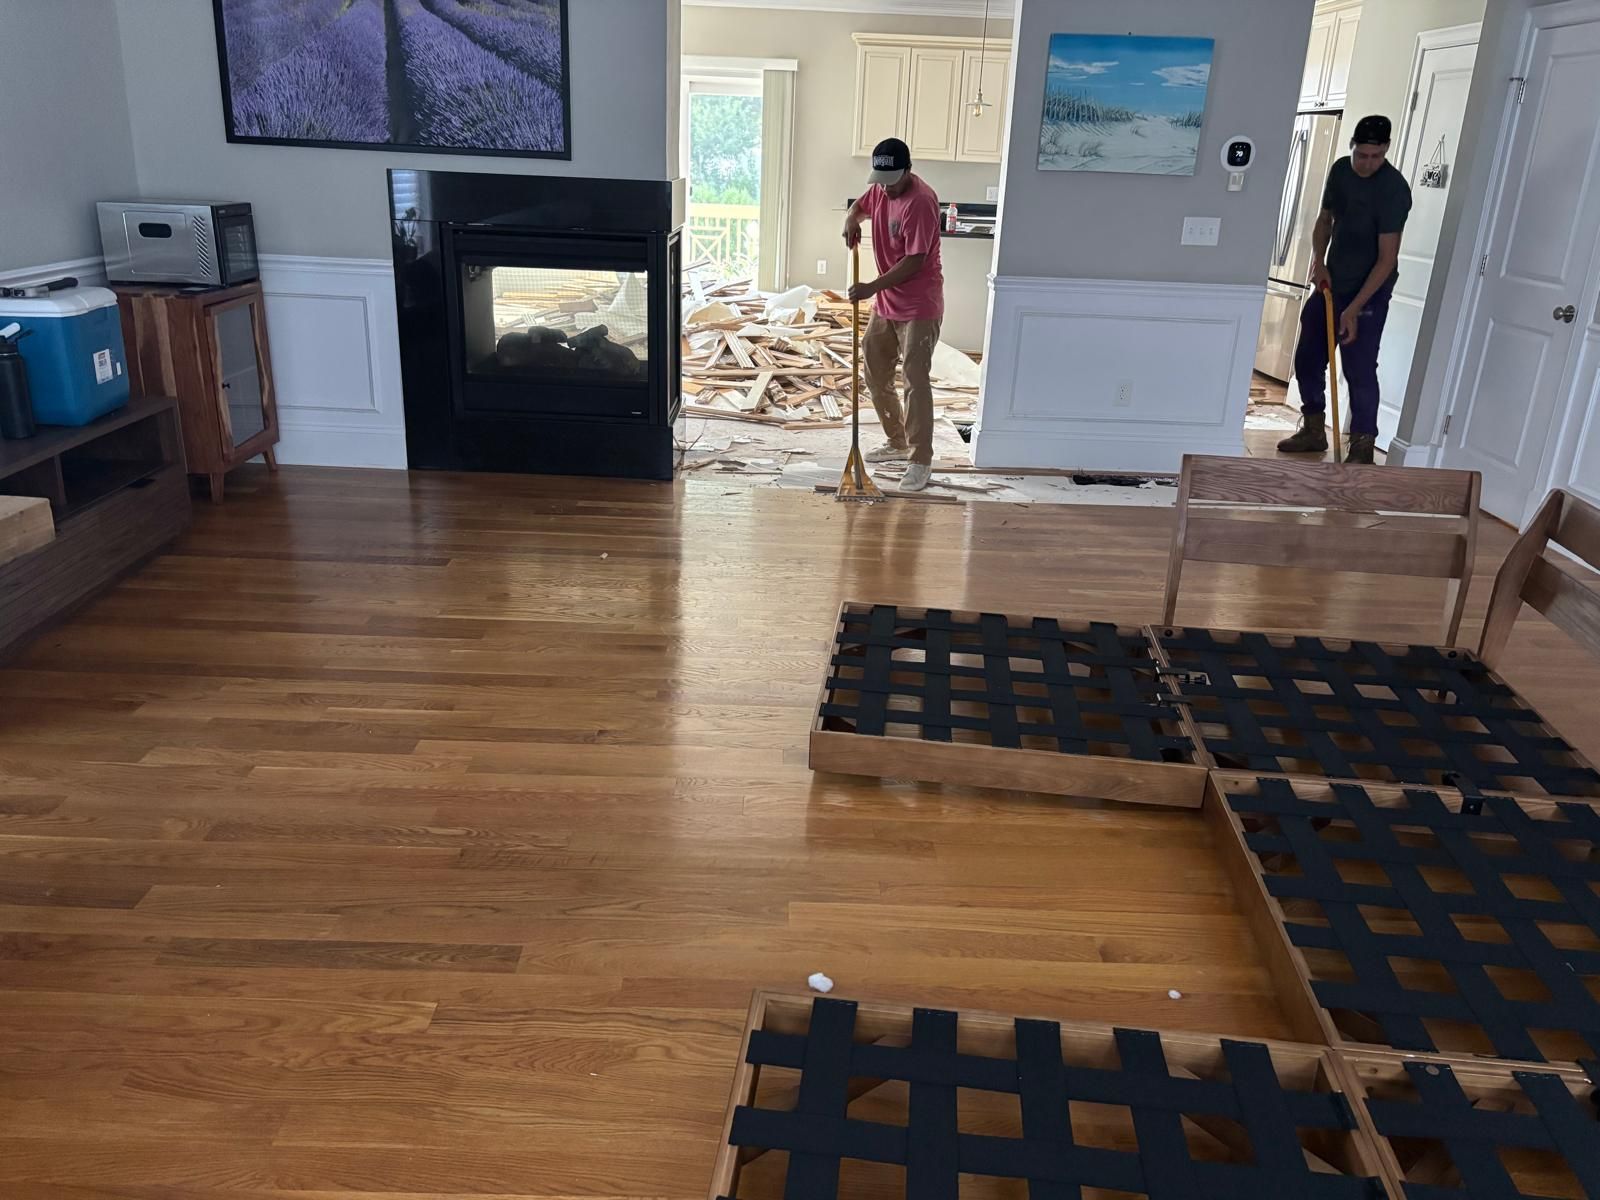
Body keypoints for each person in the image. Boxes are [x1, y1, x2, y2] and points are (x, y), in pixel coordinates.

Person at [1278, 114, 1413, 465]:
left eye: (1376, 156)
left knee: (1359, 367)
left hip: (1370, 291)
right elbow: (1325, 221)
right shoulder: (1340, 171)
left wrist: (1353, 309)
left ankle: (1363, 447)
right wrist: (1319, 262)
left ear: (1385, 151)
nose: (1368, 163)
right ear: (1352, 146)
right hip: (1331, 284)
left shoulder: (1393, 190)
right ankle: (1312, 429)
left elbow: (1387, 260)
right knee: (1308, 358)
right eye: (1362, 155)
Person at [842, 137, 946, 492]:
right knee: (874, 370)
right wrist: (851, 220)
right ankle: (897, 441)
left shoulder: (921, 202)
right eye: (880, 179)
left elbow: (915, 262)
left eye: (892, 180)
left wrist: (872, 286)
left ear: (908, 171)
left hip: (919, 304)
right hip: (887, 302)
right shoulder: (881, 190)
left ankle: (920, 460)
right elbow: (860, 205)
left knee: (915, 381)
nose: (885, 188)